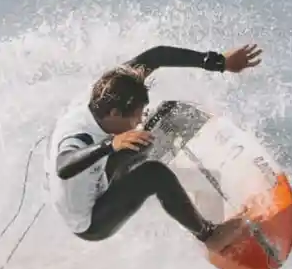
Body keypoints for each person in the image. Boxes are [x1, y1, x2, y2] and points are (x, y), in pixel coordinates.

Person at [45, 43, 263, 250]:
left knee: (172, 117)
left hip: (101, 170)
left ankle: (184, 186)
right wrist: (110, 145)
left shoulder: (109, 90)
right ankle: (209, 235)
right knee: (154, 174)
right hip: (91, 218)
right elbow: (64, 166)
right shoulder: (78, 137)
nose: (139, 121)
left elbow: (156, 56)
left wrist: (219, 62)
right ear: (114, 114)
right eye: (135, 117)